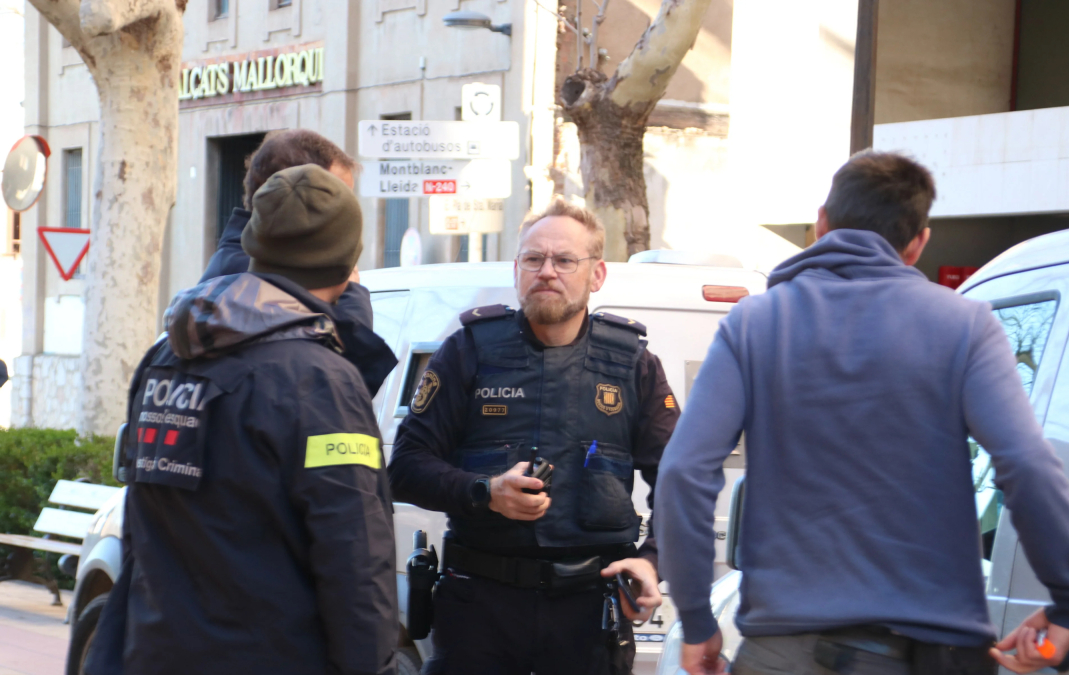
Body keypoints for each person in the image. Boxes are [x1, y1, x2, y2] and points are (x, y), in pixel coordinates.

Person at [655, 152, 1069, 675]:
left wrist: (697, 620)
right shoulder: (964, 325)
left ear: (821, 222)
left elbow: (684, 471)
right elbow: (1026, 463)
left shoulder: (753, 324)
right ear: (918, 243)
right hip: (928, 650)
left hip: (785, 648)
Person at [85, 165, 399, 675]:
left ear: (253, 247)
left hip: (155, 651)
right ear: (347, 264)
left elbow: (143, 531)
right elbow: (355, 561)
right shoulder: (322, 382)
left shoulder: (167, 355)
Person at [388, 198, 679, 675]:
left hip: (588, 615)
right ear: (517, 268)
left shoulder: (632, 365)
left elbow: (678, 479)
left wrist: (652, 561)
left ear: (597, 274)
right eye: (533, 259)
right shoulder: (468, 351)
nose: (547, 271)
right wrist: (484, 492)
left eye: (565, 260)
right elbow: (404, 467)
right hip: (479, 609)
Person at [200, 128, 395, 396]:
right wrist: (350, 296)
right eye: (331, 196)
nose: (343, 213)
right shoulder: (251, 279)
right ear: (291, 191)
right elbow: (339, 386)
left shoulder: (238, 270)